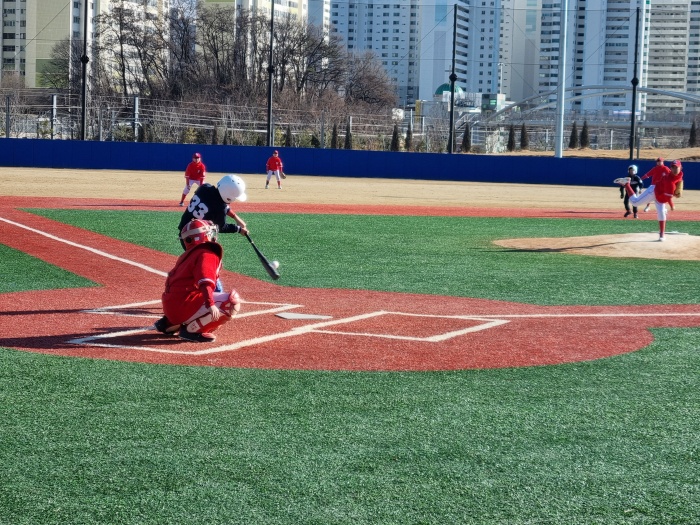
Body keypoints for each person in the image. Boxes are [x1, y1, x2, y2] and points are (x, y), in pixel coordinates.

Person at [155, 219, 241, 342]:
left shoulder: (187, 255)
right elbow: (205, 281)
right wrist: (210, 304)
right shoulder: (206, 254)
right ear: (203, 236)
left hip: (171, 308)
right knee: (231, 301)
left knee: (192, 293)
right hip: (183, 306)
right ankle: (192, 331)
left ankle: (170, 324)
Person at [178, 174, 250, 291]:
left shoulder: (204, 188)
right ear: (228, 197)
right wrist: (238, 229)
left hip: (184, 232)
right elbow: (221, 227)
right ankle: (215, 292)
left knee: (196, 264)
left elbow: (216, 202)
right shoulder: (219, 210)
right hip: (196, 240)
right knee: (207, 266)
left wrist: (236, 217)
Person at [616, 159, 684, 242]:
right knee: (635, 202)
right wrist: (672, 206)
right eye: (673, 167)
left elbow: (679, 180)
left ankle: (662, 235)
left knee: (662, 213)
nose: (675, 169)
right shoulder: (669, 181)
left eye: (676, 167)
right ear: (671, 168)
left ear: (681, 167)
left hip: (661, 196)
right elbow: (668, 198)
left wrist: (679, 184)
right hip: (654, 192)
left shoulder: (679, 175)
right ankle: (627, 184)